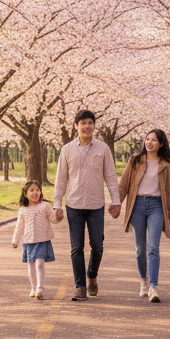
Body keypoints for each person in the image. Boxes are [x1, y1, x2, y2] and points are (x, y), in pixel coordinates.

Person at [53, 109, 121, 301]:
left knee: (97, 245)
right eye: (83, 123)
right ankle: (80, 286)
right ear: (76, 126)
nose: (87, 126)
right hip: (73, 204)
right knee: (76, 248)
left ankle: (92, 275)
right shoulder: (67, 149)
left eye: (90, 122)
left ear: (94, 125)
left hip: (96, 204)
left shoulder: (103, 148)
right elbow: (61, 180)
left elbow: (110, 177)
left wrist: (115, 201)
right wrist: (57, 205)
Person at [118, 129, 170, 303]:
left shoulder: (166, 165)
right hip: (137, 205)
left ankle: (153, 286)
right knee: (139, 248)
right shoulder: (135, 160)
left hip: (156, 206)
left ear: (161, 144)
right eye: (147, 139)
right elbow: (124, 184)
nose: (149, 142)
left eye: (154, 140)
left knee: (153, 247)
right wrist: (116, 204)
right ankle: (143, 280)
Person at [11, 180, 63, 300]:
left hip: (42, 240)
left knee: (39, 263)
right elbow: (20, 226)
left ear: (41, 192)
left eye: (37, 190)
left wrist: (58, 216)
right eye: (32, 190)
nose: (35, 193)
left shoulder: (45, 206)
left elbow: (53, 218)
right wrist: (16, 240)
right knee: (31, 265)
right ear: (25, 194)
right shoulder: (23, 209)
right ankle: (33, 287)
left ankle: (40, 287)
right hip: (29, 242)